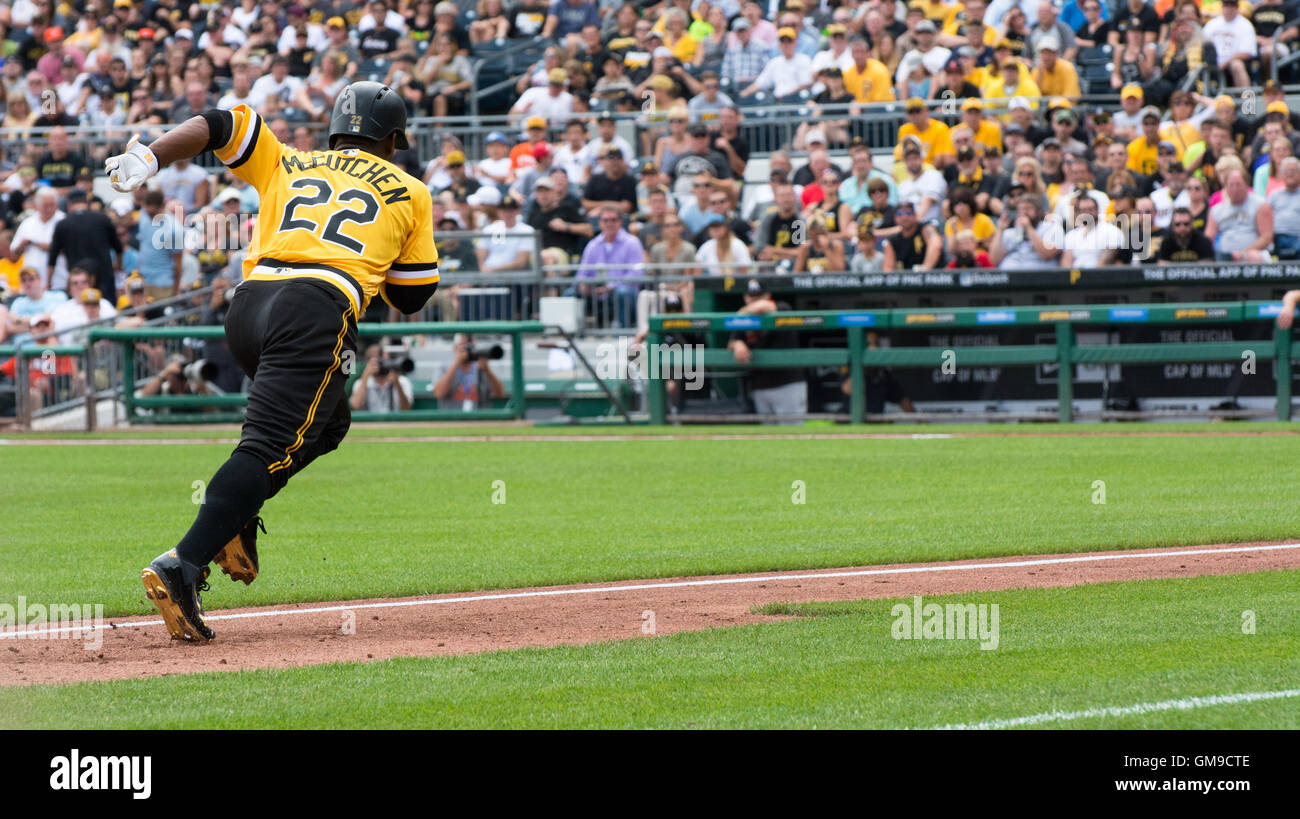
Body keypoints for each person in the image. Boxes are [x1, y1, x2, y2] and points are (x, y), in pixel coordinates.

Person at [106, 81, 440, 642]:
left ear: (336, 131)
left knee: (329, 423)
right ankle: (184, 563)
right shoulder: (411, 189)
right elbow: (412, 294)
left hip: (250, 305)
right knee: (263, 446)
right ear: (392, 140)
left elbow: (221, 122)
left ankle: (234, 522)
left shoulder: (292, 159)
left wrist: (152, 154)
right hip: (314, 307)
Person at [728, 279, 806, 424]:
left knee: (793, 437)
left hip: (788, 384)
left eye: (759, 296)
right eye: (751, 296)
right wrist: (737, 343)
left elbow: (763, 307)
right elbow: (731, 343)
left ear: (768, 296)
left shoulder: (782, 308)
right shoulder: (742, 320)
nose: (754, 300)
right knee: (768, 438)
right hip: (760, 386)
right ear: (745, 298)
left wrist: (742, 312)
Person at [47, 189, 123, 303]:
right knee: (107, 313)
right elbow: (119, 248)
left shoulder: (62, 224)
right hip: (104, 279)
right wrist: (118, 265)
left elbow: (52, 259)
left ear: (69, 204)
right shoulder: (103, 219)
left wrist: (48, 283)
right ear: (87, 202)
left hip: (78, 282)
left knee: (81, 315)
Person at [434, 333, 507, 409]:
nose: (468, 351)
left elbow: (500, 394)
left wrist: (487, 371)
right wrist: (456, 363)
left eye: (470, 347)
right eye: (463, 346)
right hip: (452, 419)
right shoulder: (444, 367)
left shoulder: (482, 367)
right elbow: (439, 394)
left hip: (479, 419)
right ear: (455, 348)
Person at [350, 343, 414, 412]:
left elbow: (406, 408)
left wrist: (397, 384)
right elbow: (355, 405)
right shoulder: (362, 382)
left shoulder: (402, 381)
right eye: (377, 362)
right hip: (371, 422)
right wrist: (365, 376)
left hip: (395, 422)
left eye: (385, 360)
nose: (382, 364)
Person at [882, 200, 943, 270]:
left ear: (915, 215)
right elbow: (887, 268)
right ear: (895, 218)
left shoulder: (926, 228)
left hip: (934, 275)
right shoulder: (892, 240)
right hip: (907, 278)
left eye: (908, 213)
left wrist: (925, 268)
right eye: (900, 214)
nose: (904, 217)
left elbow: (936, 246)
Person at [1268, 156, 1300, 259]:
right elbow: (1265, 218)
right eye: (1286, 171)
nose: (1290, 173)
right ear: (1281, 174)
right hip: (1277, 237)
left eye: (1294, 170)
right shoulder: (1273, 196)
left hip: (1297, 237)